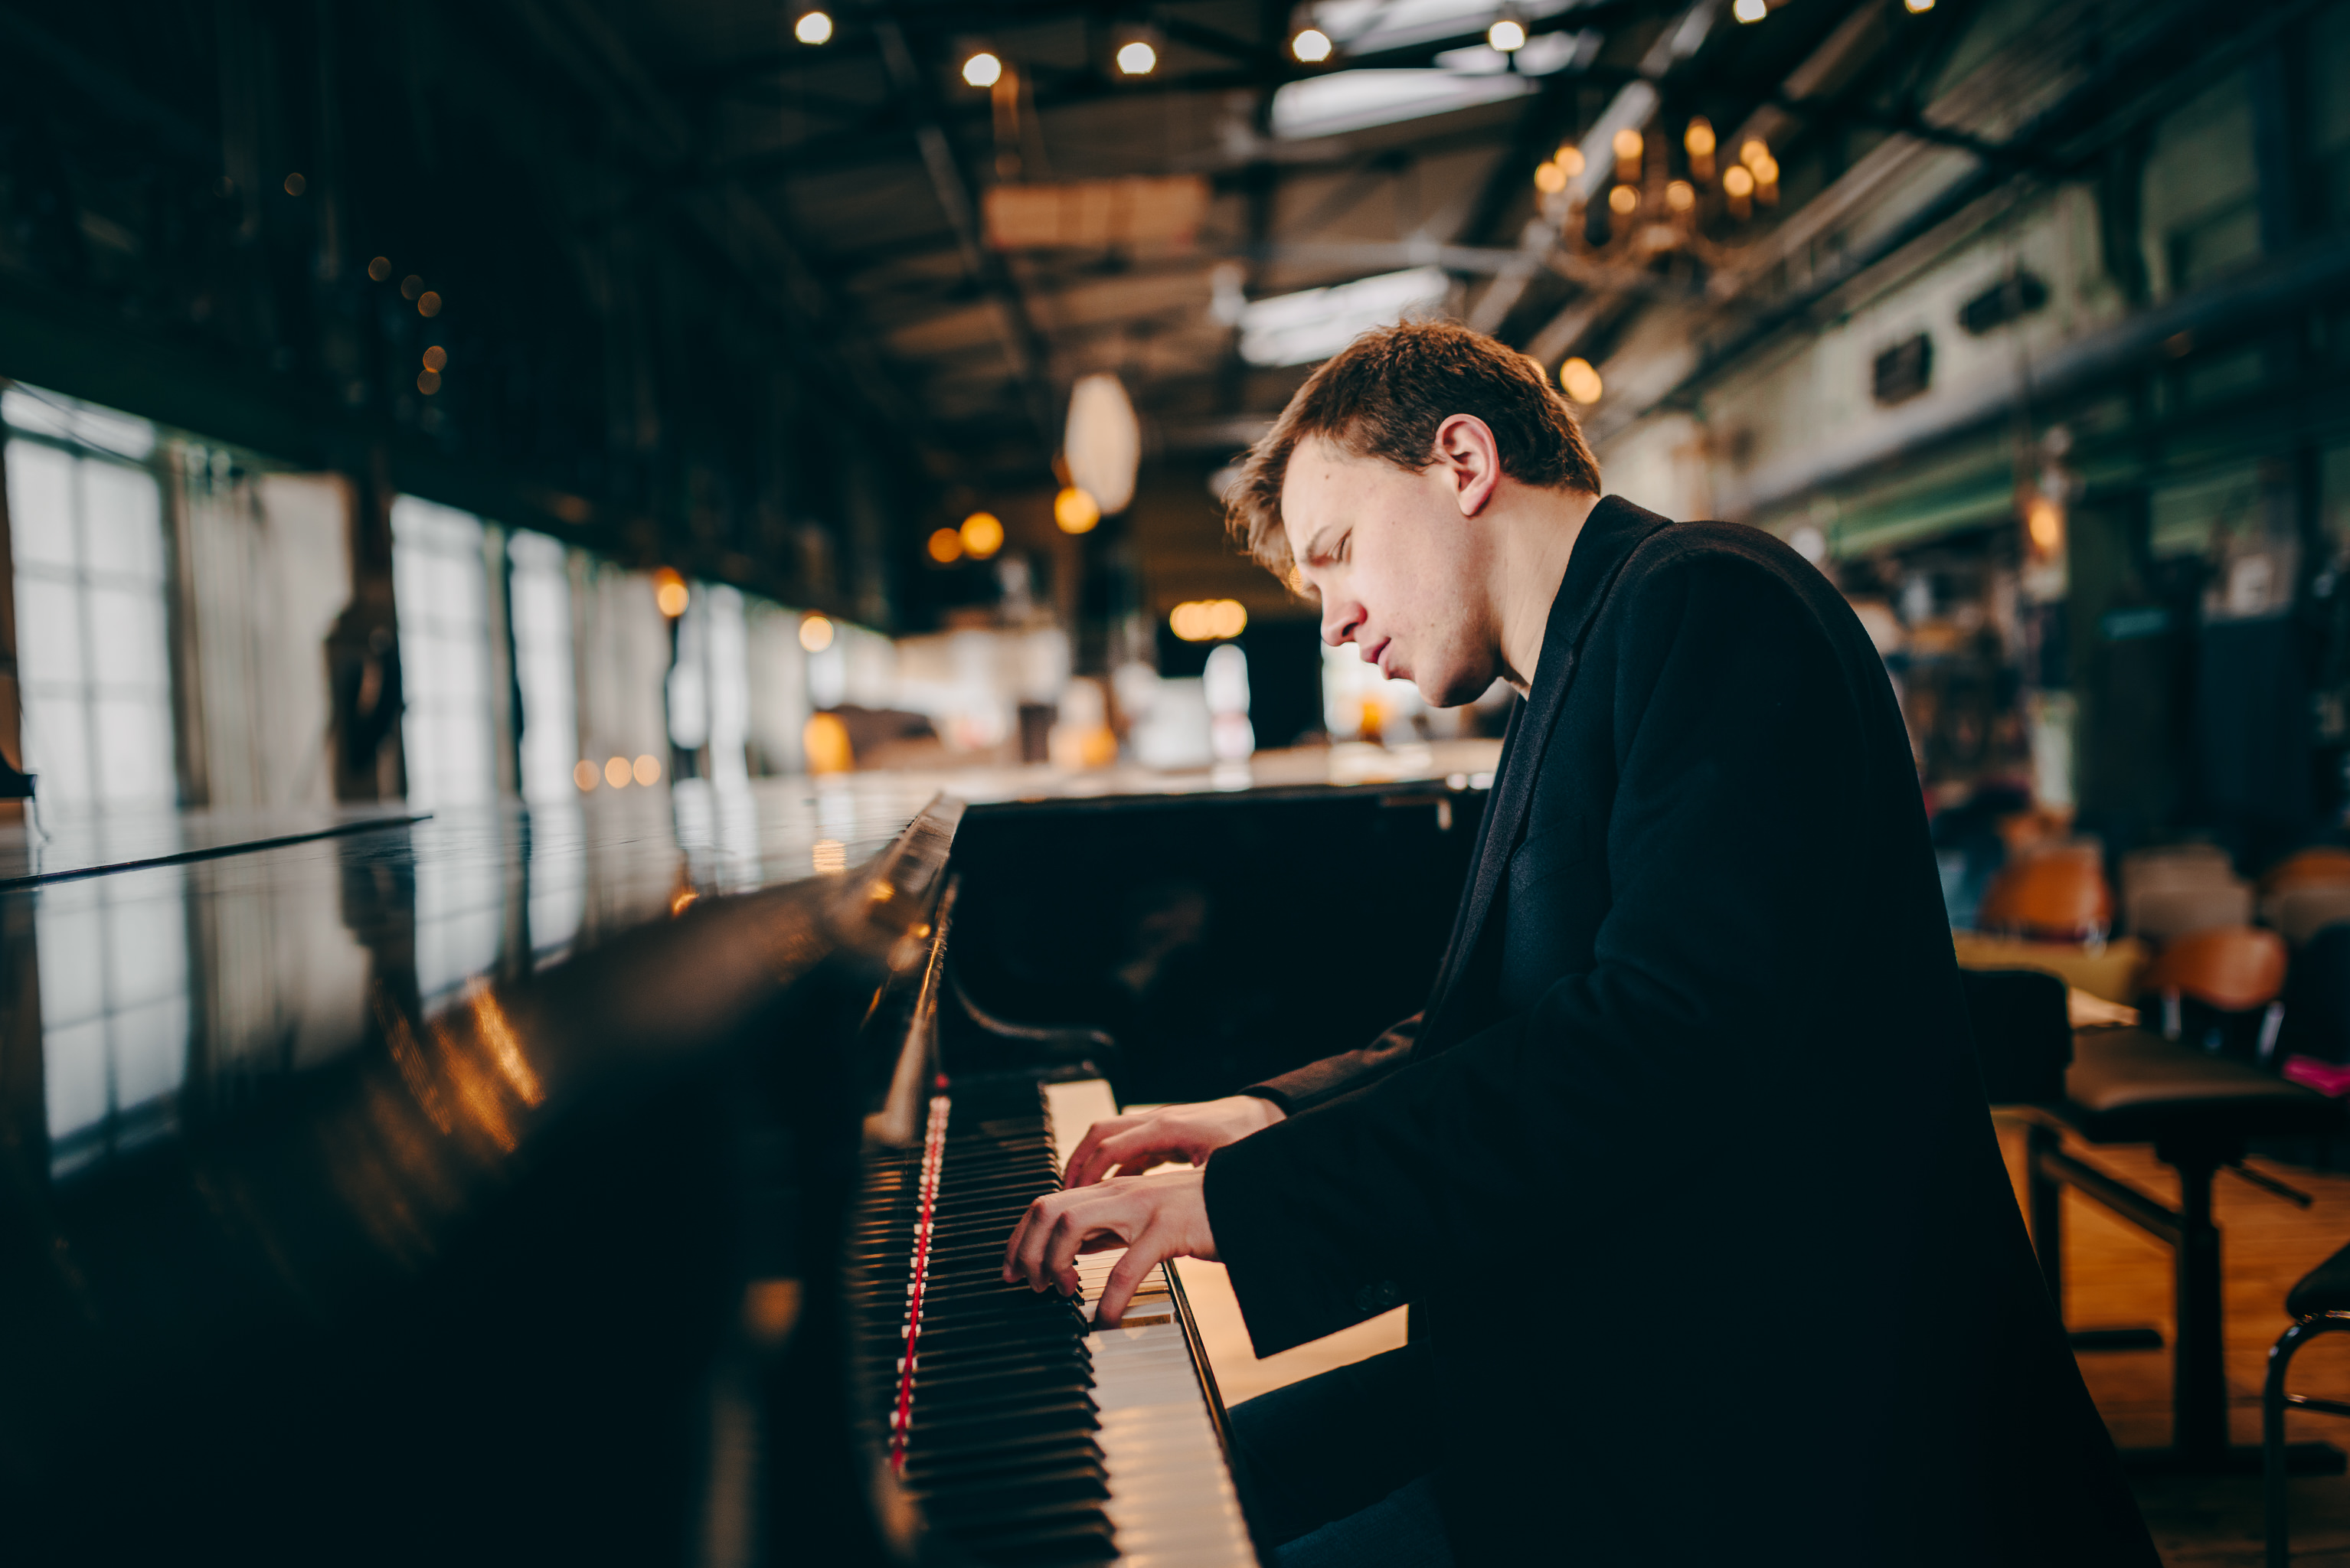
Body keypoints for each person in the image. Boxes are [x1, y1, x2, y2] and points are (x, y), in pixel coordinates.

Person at [1002, 321, 2156, 1566]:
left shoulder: (1708, 601)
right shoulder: (1586, 652)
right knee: (1170, 1506)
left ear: (1460, 461)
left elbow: (1652, 1042)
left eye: (1336, 554)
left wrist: (1252, 1203)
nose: (1333, 621)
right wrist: (1269, 1119)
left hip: (1746, 1416)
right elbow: (1519, 1019)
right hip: (1591, 1357)